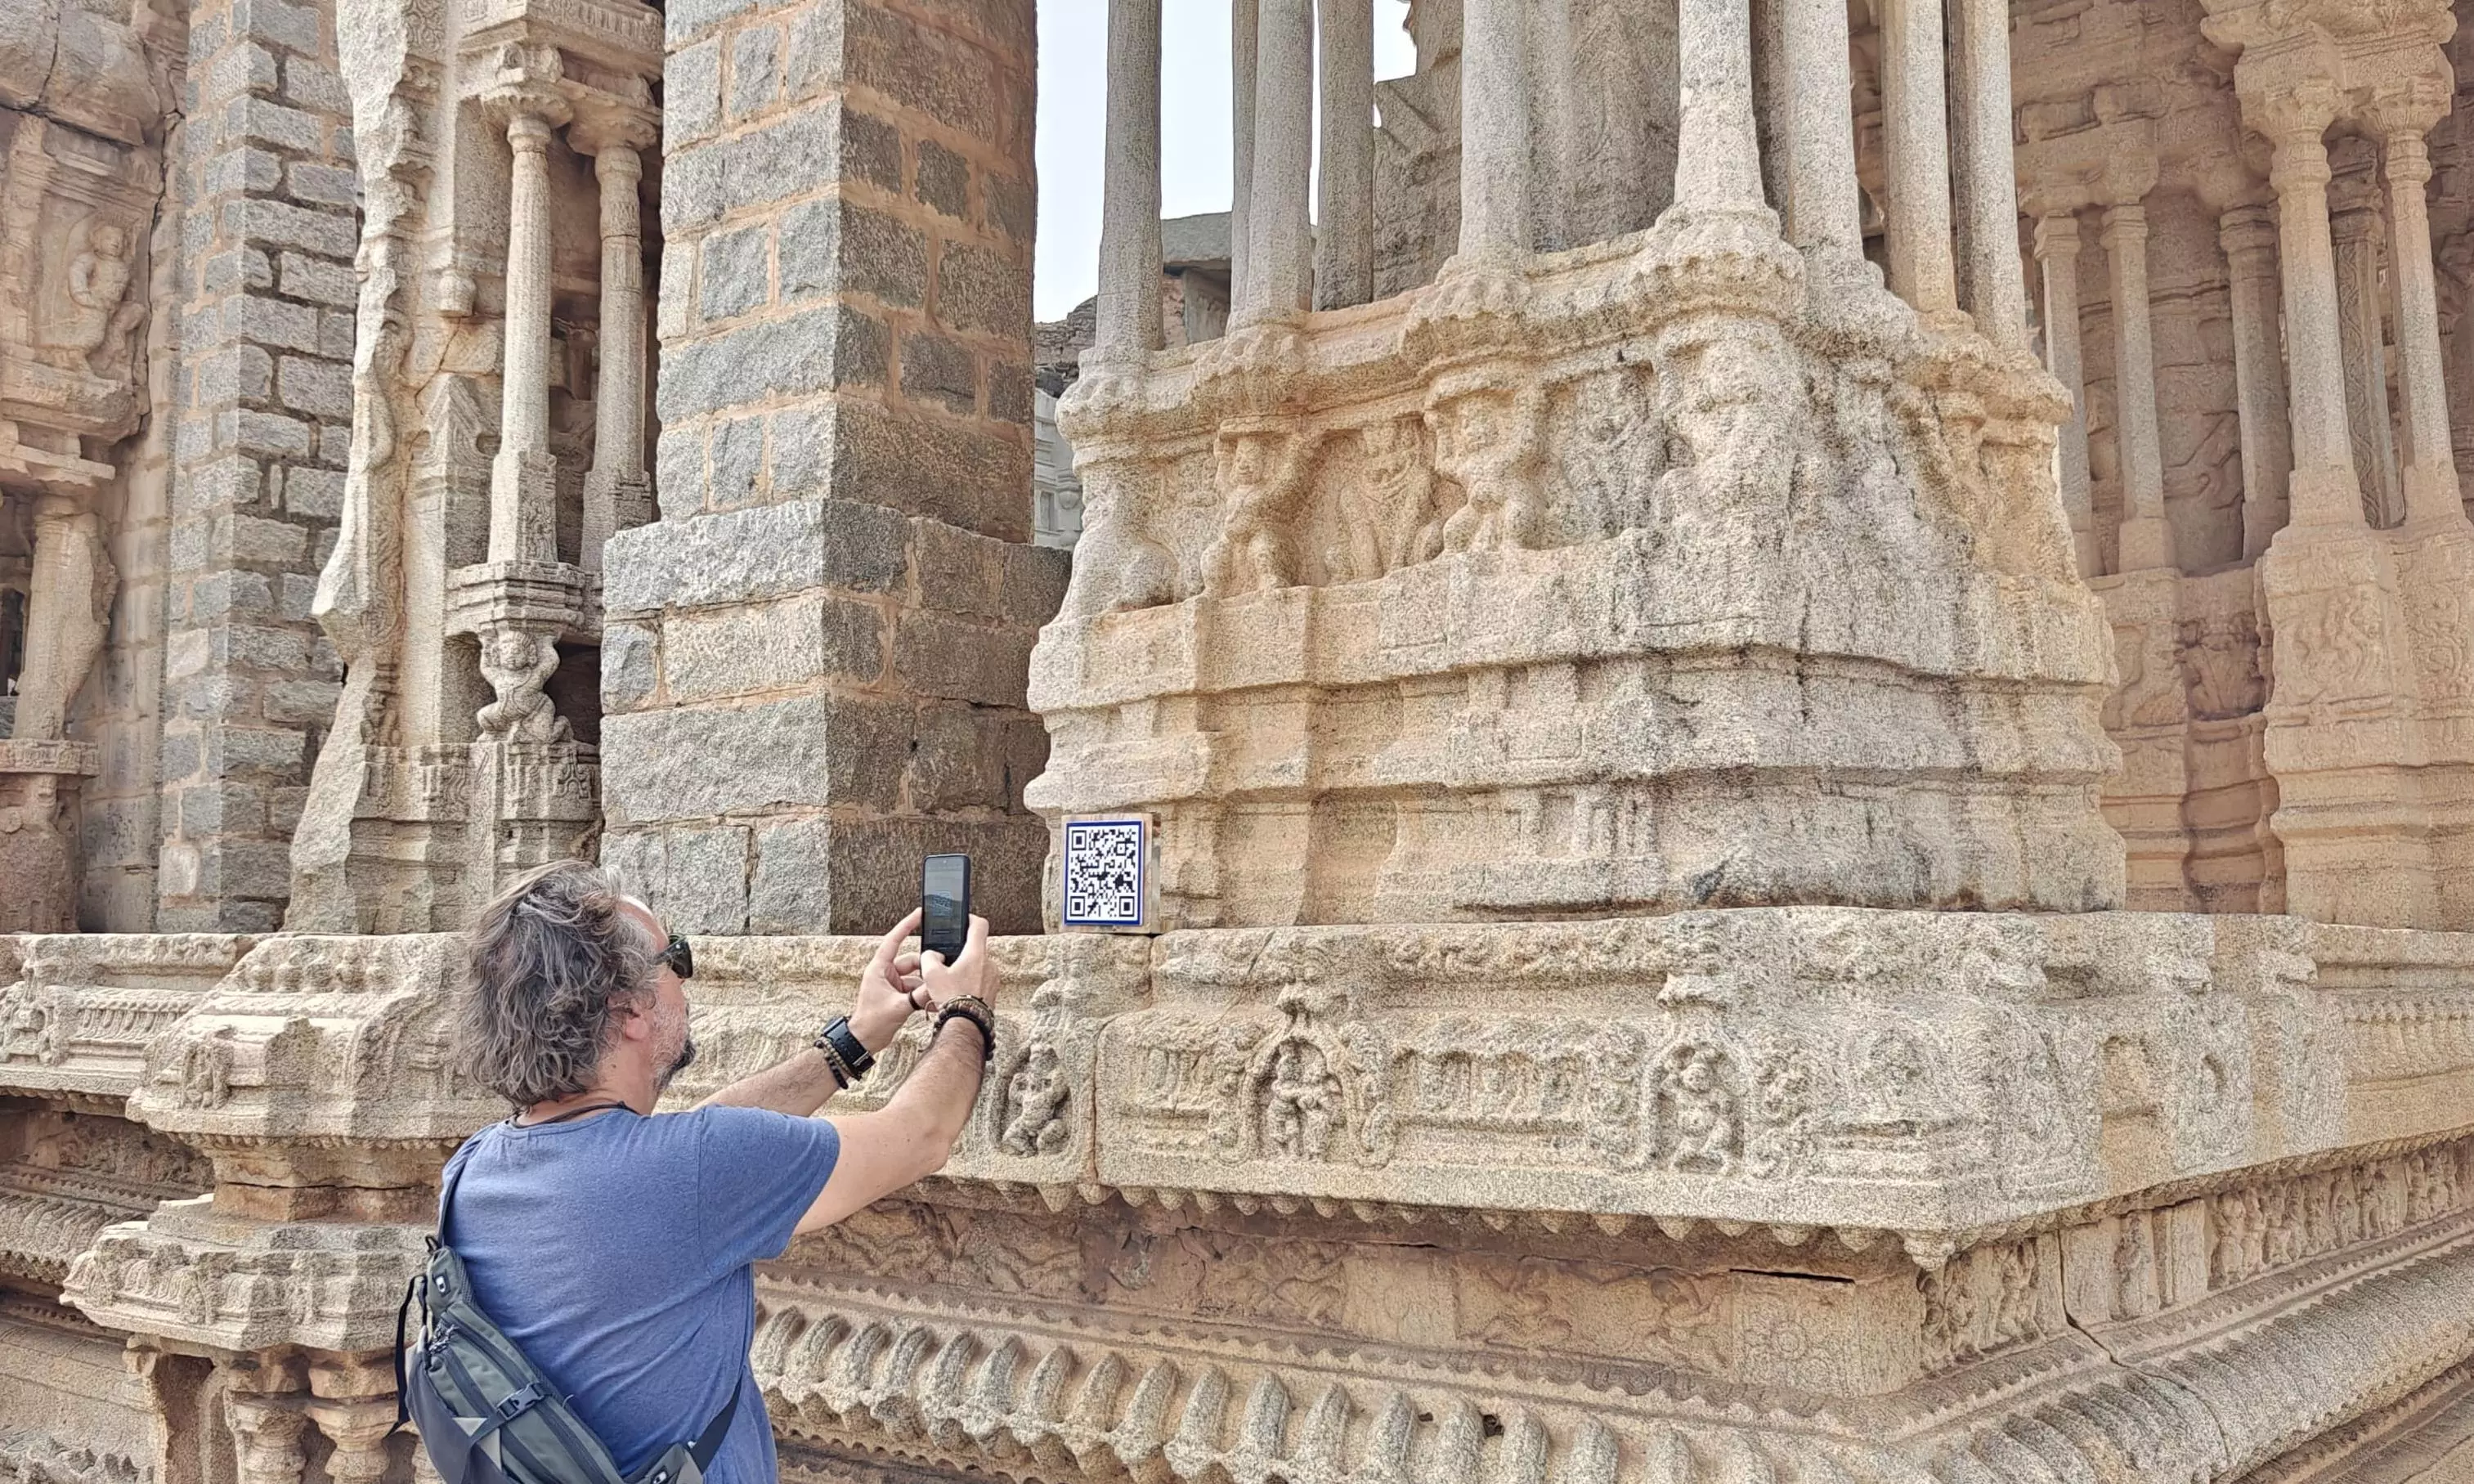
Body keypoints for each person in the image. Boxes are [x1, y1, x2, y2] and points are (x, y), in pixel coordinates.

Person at [440, 859, 996, 1484]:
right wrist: (967, 1009)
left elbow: (687, 1152)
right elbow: (921, 1134)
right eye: (674, 957)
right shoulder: (688, 1173)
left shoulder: (475, 1169)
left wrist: (856, 1037)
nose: (683, 979)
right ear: (629, 1009)